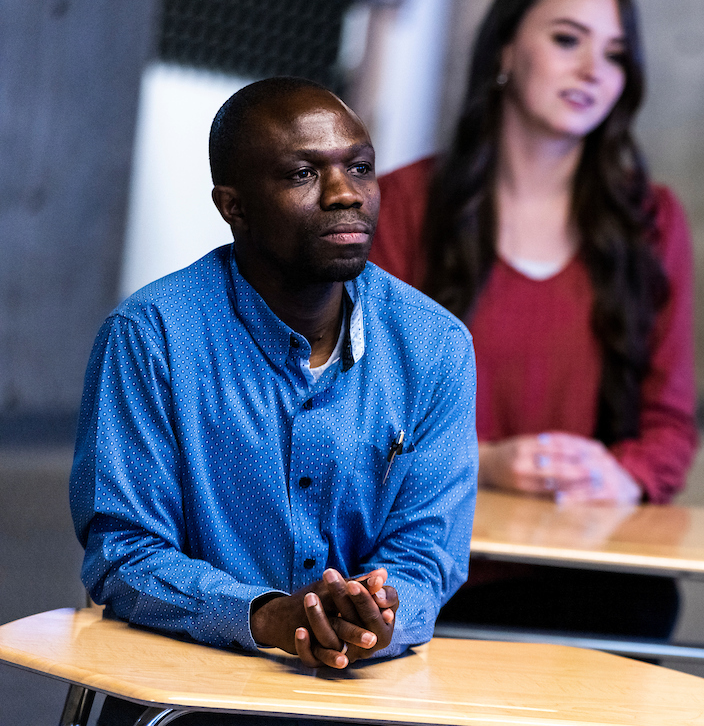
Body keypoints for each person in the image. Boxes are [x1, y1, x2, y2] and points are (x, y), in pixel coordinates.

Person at [69, 77, 477, 723]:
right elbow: (124, 555)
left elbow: (428, 553)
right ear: (233, 206)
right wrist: (267, 617)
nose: (346, 194)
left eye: (361, 167)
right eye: (301, 174)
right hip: (186, 696)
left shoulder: (434, 346)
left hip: (358, 697)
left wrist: (371, 616)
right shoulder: (152, 336)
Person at [369, 0, 695, 636]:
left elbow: (670, 428)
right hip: (422, 558)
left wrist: (620, 474)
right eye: (568, 39)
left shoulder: (653, 220)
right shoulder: (399, 206)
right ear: (505, 51)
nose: (593, 71)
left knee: (644, 610)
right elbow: (355, 420)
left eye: (615, 54)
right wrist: (480, 461)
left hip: (589, 566)